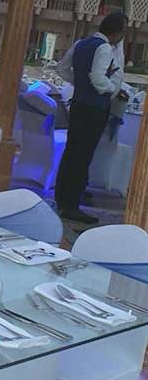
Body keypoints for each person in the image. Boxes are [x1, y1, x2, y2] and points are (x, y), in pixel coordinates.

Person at [54, 12, 129, 224]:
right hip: (94, 108)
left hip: (78, 105)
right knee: (83, 156)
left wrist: (79, 82)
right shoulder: (104, 48)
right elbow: (97, 77)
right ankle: (71, 205)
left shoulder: (81, 43)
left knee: (71, 153)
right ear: (117, 32)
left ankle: (62, 198)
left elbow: (62, 68)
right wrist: (112, 88)